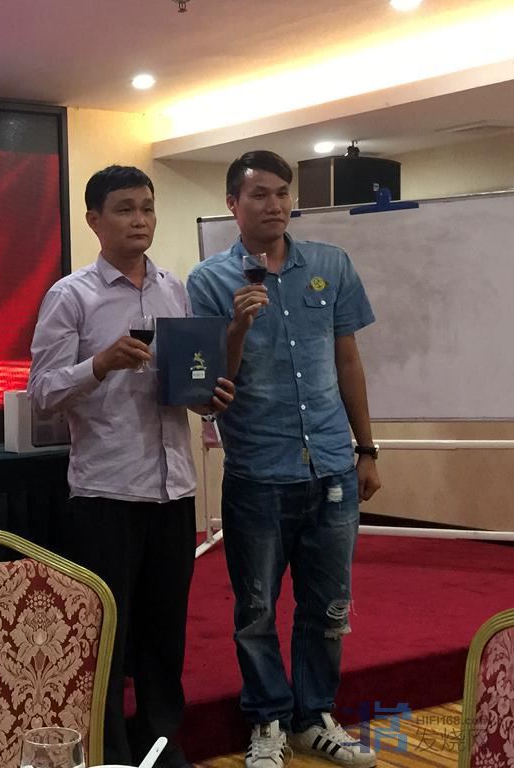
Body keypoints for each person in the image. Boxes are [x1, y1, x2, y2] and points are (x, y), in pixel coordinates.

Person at [29, 165, 235, 768]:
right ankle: (108, 750)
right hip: (107, 489)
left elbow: (184, 378)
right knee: (106, 634)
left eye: (147, 207)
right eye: (124, 209)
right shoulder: (71, 296)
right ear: (94, 220)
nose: (140, 219)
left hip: (174, 488)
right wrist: (100, 364)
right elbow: (41, 392)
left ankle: (161, 745)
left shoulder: (174, 289)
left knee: (164, 633)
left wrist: (207, 396)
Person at [186, 151, 382, 768]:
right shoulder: (207, 281)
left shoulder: (330, 264)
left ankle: (314, 716)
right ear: (233, 205)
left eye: (282, 194)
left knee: (329, 605)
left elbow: (347, 359)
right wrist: (237, 328)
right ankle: (267, 719)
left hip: (331, 466)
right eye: (259, 195)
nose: (274, 206)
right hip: (258, 472)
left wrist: (366, 448)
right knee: (255, 609)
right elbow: (207, 386)